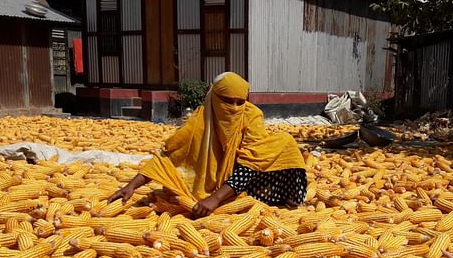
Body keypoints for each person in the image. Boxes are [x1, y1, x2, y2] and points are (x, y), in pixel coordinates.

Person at [108, 72, 308, 217]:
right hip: (215, 180)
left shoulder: (251, 115)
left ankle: (284, 196)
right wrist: (131, 186)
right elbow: (169, 155)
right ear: (214, 98)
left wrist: (215, 199)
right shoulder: (199, 121)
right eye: (228, 102)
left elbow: (252, 161)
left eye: (241, 102)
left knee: (284, 142)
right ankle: (221, 195)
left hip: (247, 178)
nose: (235, 108)